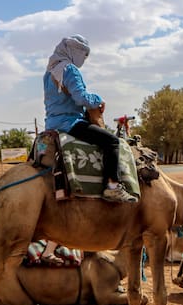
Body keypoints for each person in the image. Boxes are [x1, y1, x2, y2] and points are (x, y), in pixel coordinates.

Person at [44, 35, 136, 203]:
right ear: (74, 51)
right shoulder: (69, 69)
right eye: (83, 54)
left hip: (51, 124)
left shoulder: (49, 73)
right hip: (70, 123)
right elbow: (81, 98)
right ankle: (113, 187)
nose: (84, 59)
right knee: (112, 142)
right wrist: (98, 99)